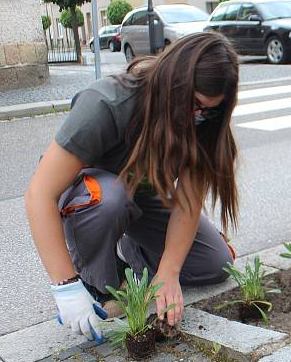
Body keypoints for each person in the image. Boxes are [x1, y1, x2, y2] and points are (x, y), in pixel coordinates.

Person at [25, 32, 239, 342]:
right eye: (194, 105)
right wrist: (65, 286)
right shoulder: (108, 103)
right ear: (172, 82)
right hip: (92, 195)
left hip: (140, 195)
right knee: (112, 198)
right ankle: (96, 283)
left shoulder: (203, 122)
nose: (198, 117)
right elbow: (39, 194)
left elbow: (188, 202)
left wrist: (168, 272)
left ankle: (132, 253)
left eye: (208, 110)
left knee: (214, 264)